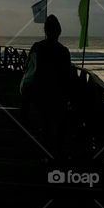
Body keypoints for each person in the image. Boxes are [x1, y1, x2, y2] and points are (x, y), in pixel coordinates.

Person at [21, 15, 73, 162]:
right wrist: (70, 97)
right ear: (59, 32)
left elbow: (28, 68)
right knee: (59, 125)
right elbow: (68, 76)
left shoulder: (37, 47)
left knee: (45, 124)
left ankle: (47, 154)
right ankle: (58, 154)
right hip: (58, 94)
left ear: (45, 30)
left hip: (40, 92)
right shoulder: (63, 51)